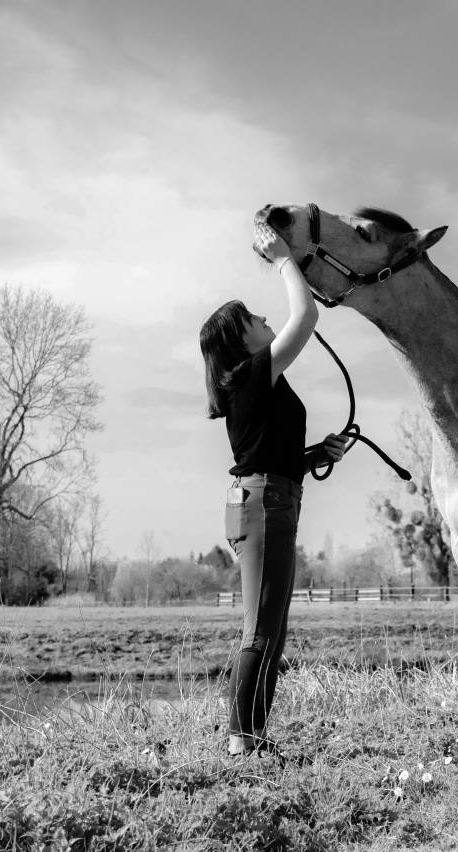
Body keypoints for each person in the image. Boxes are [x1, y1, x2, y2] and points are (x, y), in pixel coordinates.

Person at [199, 220, 351, 756]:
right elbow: (305, 315)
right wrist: (284, 258)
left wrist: (314, 456)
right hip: (264, 505)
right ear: (241, 339)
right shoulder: (249, 375)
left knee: (271, 632)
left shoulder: (259, 384)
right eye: (255, 319)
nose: (266, 320)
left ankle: (252, 737)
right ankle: (242, 745)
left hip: (271, 498)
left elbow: (269, 452)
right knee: (260, 631)